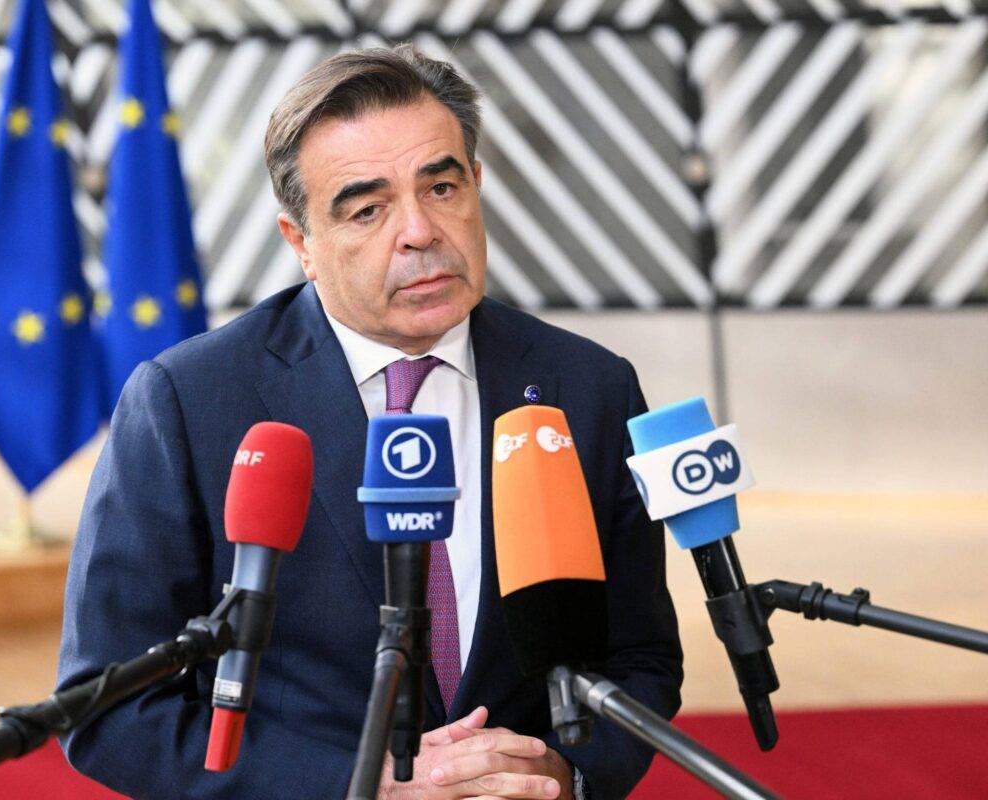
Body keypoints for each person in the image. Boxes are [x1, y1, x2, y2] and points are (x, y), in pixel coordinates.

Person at [57, 44, 682, 800]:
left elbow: (641, 659)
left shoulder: (589, 389)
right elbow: (107, 707)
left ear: (477, 187)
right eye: (367, 208)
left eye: (442, 186)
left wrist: (568, 773)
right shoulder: (188, 402)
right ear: (301, 243)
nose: (419, 231)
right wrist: (359, 789)